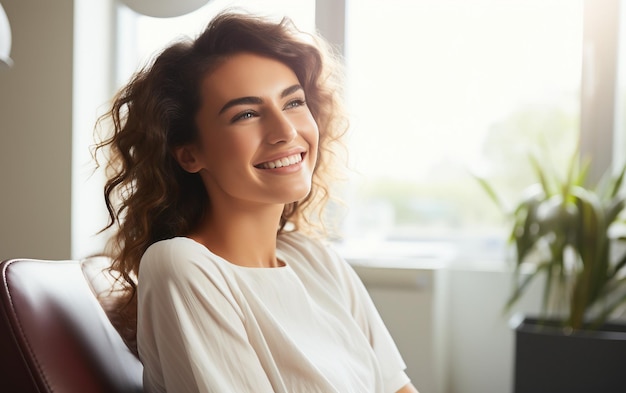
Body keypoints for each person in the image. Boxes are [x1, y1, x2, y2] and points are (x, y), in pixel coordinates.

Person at [95, 10, 419, 393]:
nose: (285, 132)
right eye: (246, 113)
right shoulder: (182, 266)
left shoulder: (315, 259)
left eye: (294, 103)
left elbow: (397, 389)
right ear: (190, 154)